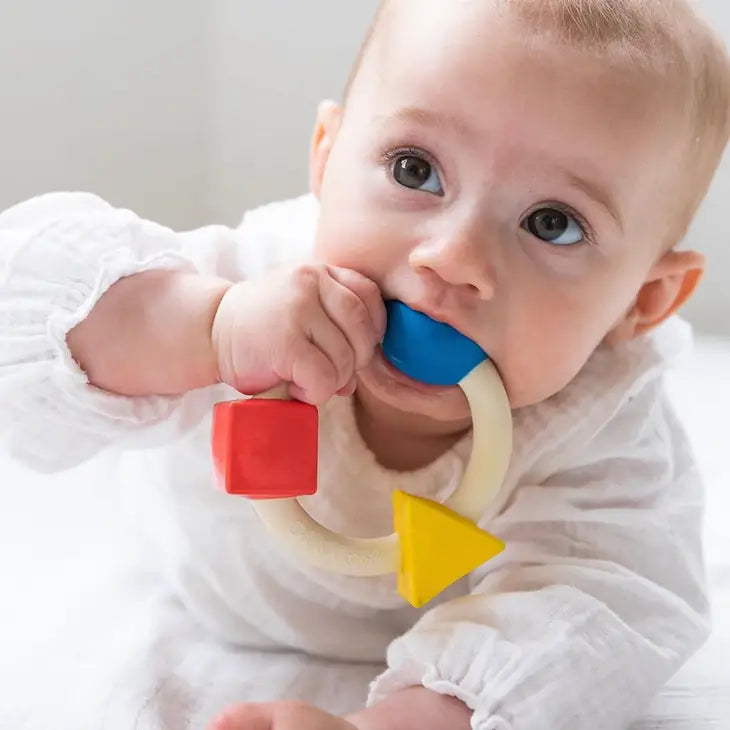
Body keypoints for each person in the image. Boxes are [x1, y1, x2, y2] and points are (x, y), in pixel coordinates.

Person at [1, 1, 729, 728]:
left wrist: (405, 721)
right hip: (197, 571)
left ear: (645, 299)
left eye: (553, 223)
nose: (452, 259)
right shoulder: (255, 283)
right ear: (327, 156)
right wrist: (204, 328)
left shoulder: (603, 424)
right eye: (416, 169)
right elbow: (26, 312)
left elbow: (599, 612)